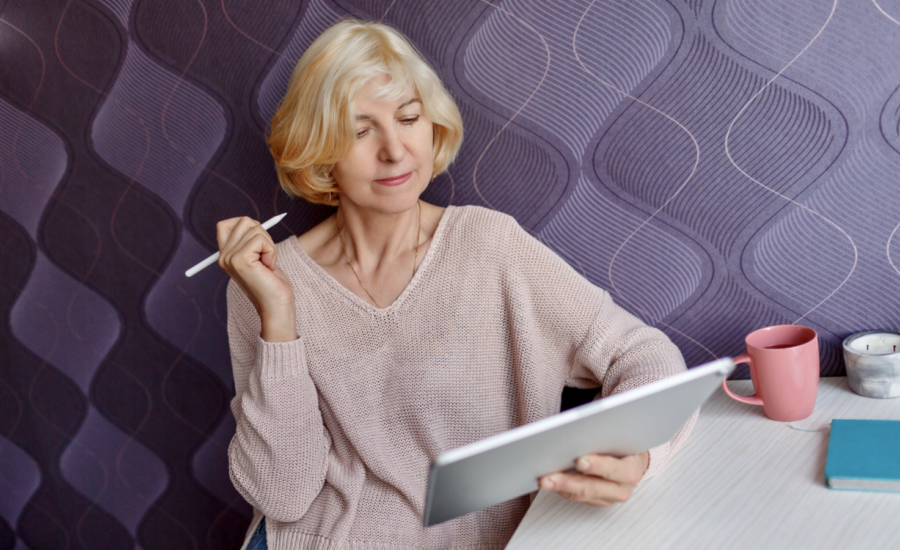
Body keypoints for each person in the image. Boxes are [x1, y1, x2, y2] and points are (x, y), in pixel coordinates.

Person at [217, 18, 696, 550]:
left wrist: (638, 456)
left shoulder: (489, 246)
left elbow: (645, 355)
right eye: (361, 130)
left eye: (408, 118)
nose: (395, 150)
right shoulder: (260, 284)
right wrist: (278, 318)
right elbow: (281, 497)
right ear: (321, 150)